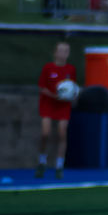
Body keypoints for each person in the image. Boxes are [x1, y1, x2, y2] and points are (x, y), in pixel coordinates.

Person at [37, 41, 77, 179]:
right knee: (45, 133)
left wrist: (72, 94)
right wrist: (54, 95)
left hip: (63, 105)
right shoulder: (48, 68)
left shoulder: (71, 69)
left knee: (61, 134)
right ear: (55, 53)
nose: (63, 54)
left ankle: (59, 166)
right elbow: (42, 87)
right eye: (60, 51)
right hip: (48, 104)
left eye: (65, 51)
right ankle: (42, 162)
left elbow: (72, 87)